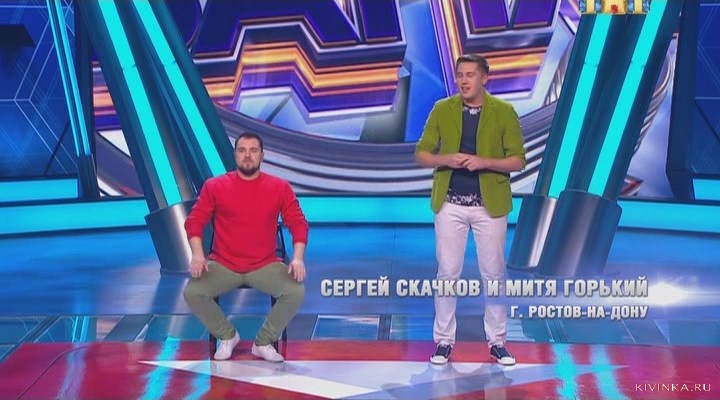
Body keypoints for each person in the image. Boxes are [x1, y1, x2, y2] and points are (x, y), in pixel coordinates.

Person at [415, 54, 526, 366]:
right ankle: (443, 341)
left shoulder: (503, 112)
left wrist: (484, 162)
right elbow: (422, 154)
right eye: (460, 75)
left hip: (489, 207)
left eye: (470, 75)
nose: (463, 81)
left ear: (484, 77)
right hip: (450, 204)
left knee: (494, 274)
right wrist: (446, 159)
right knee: (447, 272)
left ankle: (497, 342)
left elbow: (518, 160)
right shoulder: (442, 109)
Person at [183, 132, 308, 362]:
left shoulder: (279, 187)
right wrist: (198, 255)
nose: (247, 155)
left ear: (262, 155)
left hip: (265, 264)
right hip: (223, 264)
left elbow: (298, 223)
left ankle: (263, 342)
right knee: (193, 292)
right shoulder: (215, 186)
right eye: (242, 150)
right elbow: (194, 221)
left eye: (253, 150)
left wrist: (298, 258)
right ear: (235, 155)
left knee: (295, 291)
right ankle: (227, 335)